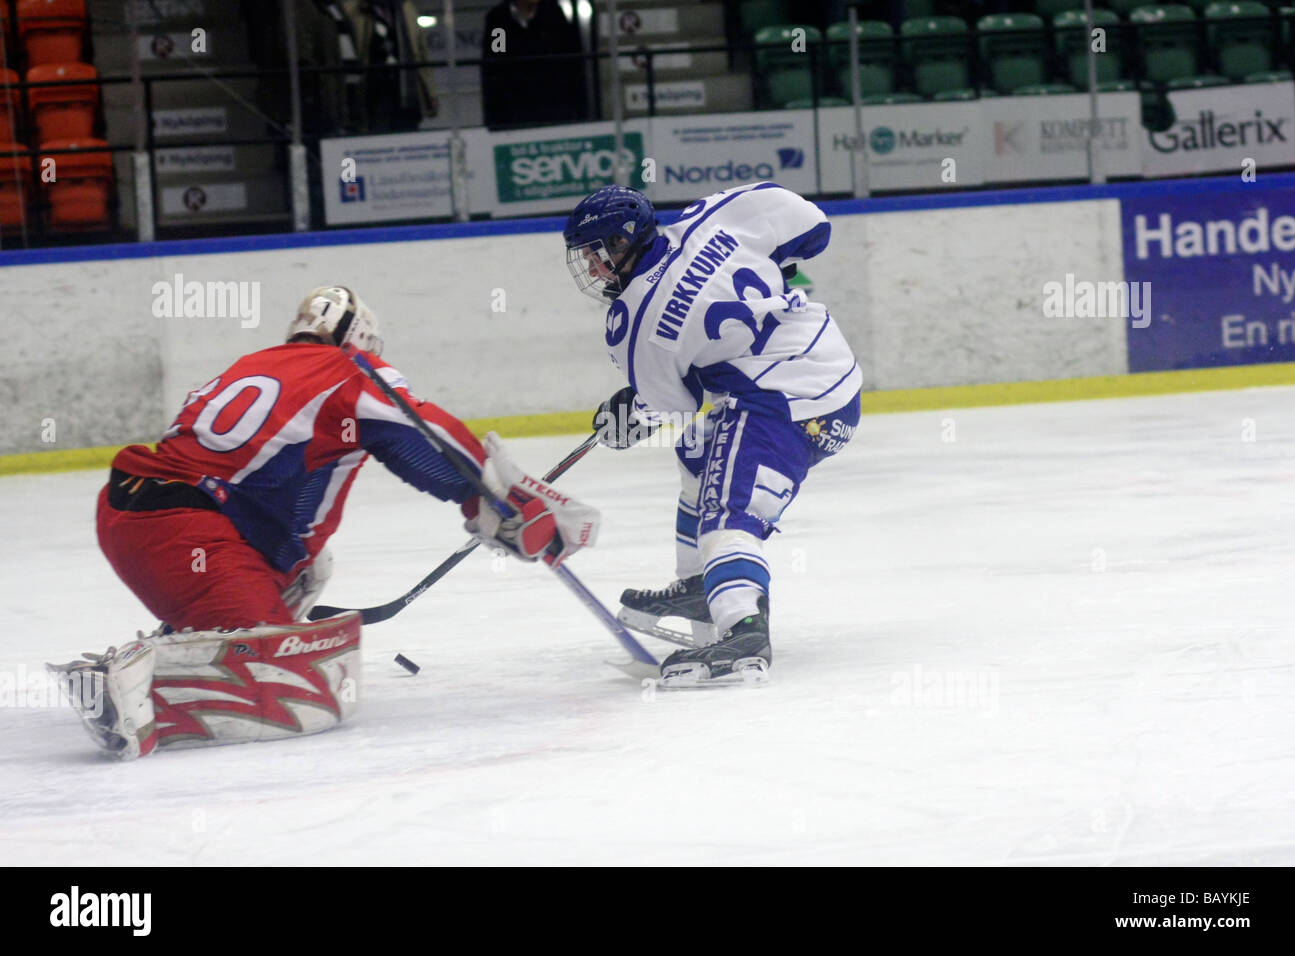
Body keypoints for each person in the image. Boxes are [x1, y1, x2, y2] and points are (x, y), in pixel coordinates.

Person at [53, 286, 593, 759]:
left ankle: (199, 632)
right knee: (283, 677)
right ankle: (125, 679)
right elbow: (420, 430)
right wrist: (498, 502)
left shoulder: (259, 363)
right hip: (181, 528)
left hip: (130, 514)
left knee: (307, 568)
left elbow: (274, 481)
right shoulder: (349, 370)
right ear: (358, 339)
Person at [562, 183, 862, 684]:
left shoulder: (633, 322)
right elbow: (813, 228)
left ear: (623, 243)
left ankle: (742, 627)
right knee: (697, 454)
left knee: (729, 513)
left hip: (785, 401)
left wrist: (628, 418)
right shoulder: (718, 215)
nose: (592, 269)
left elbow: (671, 405)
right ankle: (705, 586)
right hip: (826, 371)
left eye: (597, 254)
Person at [480, 0, 588, 128]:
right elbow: (496, 61)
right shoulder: (499, 19)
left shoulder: (552, 14)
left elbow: (568, 60)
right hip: (514, 109)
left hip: (554, 106)